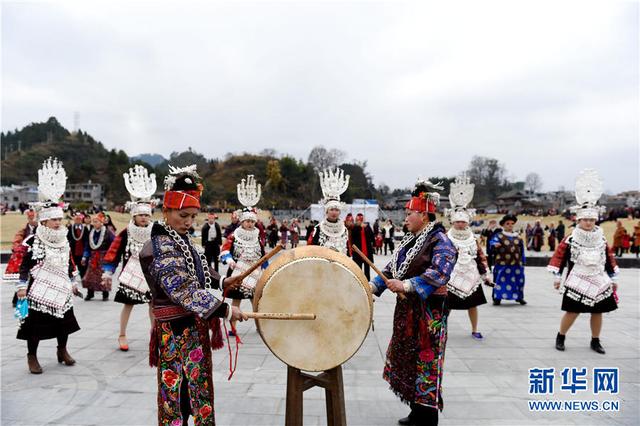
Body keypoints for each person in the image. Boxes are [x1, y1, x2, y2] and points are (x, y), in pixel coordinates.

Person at [139, 164, 248, 425]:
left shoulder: (180, 239)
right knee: (175, 393)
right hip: (175, 331)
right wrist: (226, 310)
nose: (189, 222)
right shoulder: (157, 247)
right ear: (166, 211)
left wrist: (222, 279)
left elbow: (195, 266)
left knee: (196, 391)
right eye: (183, 215)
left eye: (192, 217)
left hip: (193, 325)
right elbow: (182, 288)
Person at [369, 178, 457, 426]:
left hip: (430, 315)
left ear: (424, 216)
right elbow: (392, 269)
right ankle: (416, 410)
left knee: (427, 361)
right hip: (407, 311)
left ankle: (428, 417)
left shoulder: (441, 241)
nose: (405, 218)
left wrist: (407, 285)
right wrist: (373, 285)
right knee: (409, 359)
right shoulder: (410, 241)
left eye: (409, 213)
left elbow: (440, 272)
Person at [15, 158, 81, 374]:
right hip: (40, 287)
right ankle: (31, 356)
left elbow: (69, 262)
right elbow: (25, 265)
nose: (58, 223)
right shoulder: (34, 240)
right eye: (53, 220)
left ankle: (62, 350)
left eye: (59, 220)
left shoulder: (64, 238)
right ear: (43, 221)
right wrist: (22, 286)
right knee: (35, 325)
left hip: (61, 285)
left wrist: (73, 280)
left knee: (64, 322)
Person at [548, 169, 618, 354]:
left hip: (597, 277)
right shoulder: (571, 238)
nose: (588, 223)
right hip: (577, 278)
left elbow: (608, 259)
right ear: (578, 220)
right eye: (585, 219)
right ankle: (561, 336)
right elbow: (560, 258)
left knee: (598, 311)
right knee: (573, 311)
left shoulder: (601, 238)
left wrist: (613, 278)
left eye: (591, 219)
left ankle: (595, 340)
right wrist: (557, 276)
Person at [102, 165, 156, 351]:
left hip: (151, 273)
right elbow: (114, 252)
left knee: (153, 305)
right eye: (140, 215)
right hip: (131, 273)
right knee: (128, 304)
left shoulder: (155, 232)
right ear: (134, 215)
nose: (143, 218)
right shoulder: (126, 232)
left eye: (146, 215)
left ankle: (154, 334)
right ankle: (122, 334)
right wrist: (108, 272)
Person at [444, 175, 493, 340]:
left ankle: (474, 329)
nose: (460, 224)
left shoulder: (473, 238)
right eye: (457, 222)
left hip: (471, 274)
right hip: (451, 276)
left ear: (467, 223)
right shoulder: (446, 237)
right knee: (447, 305)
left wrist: (486, 274)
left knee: (473, 304)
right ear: (452, 222)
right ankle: (441, 329)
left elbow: (480, 256)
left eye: (463, 222)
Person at [220, 175, 267, 334]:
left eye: (252, 221)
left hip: (255, 271)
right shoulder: (234, 235)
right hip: (238, 272)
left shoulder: (258, 236)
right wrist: (229, 260)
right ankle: (233, 328)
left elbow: (262, 254)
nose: (250, 224)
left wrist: (265, 268)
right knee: (236, 301)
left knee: (257, 301)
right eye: (247, 221)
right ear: (241, 221)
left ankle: (259, 326)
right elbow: (225, 250)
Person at [307, 167, 350, 254]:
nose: (334, 212)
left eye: (337, 210)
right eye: (331, 209)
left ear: (340, 212)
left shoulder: (344, 230)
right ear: (326, 211)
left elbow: (348, 252)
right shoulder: (318, 229)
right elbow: (311, 249)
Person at [490, 214, 527, 305]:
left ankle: (519, 297)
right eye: (508, 223)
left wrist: (523, 261)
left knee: (518, 280)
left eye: (512, 223)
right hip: (502, 263)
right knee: (500, 280)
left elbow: (521, 250)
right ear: (503, 225)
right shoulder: (499, 235)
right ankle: (497, 297)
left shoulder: (518, 237)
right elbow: (492, 242)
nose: (510, 225)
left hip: (516, 264)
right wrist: (495, 244)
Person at [81, 212, 115, 301]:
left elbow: (114, 245)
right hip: (93, 258)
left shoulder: (108, 232)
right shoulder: (90, 233)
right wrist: (84, 256)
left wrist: (110, 256)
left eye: (96, 221)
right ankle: (90, 293)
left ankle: (105, 294)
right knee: (90, 276)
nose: (94, 223)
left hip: (103, 257)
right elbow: (87, 246)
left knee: (103, 275)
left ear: (101, 222)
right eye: (93, 221)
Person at [351, 213, 375, 280]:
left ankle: (367, 281)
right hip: (358, 252)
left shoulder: (367, 226)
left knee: (367, 269)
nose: (360, 221)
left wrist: (374, 244)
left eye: (361, 219)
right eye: (358, 219)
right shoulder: (354, 227)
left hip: (367, 251)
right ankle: (359, 281)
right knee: (358, 268)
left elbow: (372, 236)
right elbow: (353, 235)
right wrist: (359, 226)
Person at [67, 212, 89, 278]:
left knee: (82, 268)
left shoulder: (85, 229)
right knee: (71, 267)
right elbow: (68, 238)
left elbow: (87, 240)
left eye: (79, 219)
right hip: (73, 251)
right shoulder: (70, 228)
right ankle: (71, 279)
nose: (78, 220)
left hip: (81, 251)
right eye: (76, 219)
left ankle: (83, 278)